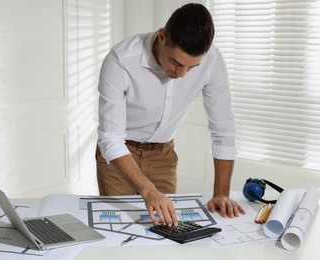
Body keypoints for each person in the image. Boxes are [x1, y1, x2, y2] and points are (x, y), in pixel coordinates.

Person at [96, 3, 245, 227]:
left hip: (163, 157)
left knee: (166, 231)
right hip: (119, 158)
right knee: (118, 231)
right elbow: (110, 138)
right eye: (176, 62)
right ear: (162, 36)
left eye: (192, 67)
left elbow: (223, 130)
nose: (182, 74)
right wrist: (148, 190)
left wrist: (221, 193)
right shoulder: (120, 60)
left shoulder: (212, 60)